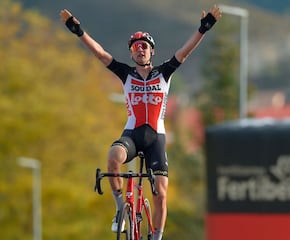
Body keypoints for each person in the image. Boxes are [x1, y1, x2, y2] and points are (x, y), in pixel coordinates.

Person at [60, 5, 221, 240]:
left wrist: (203, 29)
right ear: (132, 53)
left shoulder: (164, 73)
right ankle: (119, 210)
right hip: (133, 134)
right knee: (113, 157)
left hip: (156, 137)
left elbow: (184, 52)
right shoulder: (125, 74)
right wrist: (78, 31)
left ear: (151, 52)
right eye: (135, 47)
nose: (140, 49)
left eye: (144, 46)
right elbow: (100, 53)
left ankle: (156, 237)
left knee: (161, 194)